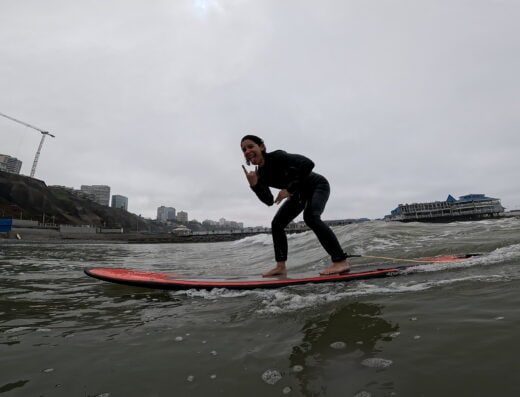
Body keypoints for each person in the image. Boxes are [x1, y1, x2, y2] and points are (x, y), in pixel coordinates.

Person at [240, 134, 350, 277]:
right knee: (277, 224)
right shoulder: (260, 174)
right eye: (243, 150)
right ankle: (281, 267)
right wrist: (254, 185)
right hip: (299, 193)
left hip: (317, 185)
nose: (247, 151)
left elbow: (308, 164)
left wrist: (289, 190)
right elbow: (268, 200)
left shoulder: (277, 156)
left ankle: (340, 261)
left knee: (311, 217)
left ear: (261, 147)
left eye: (250, 146)